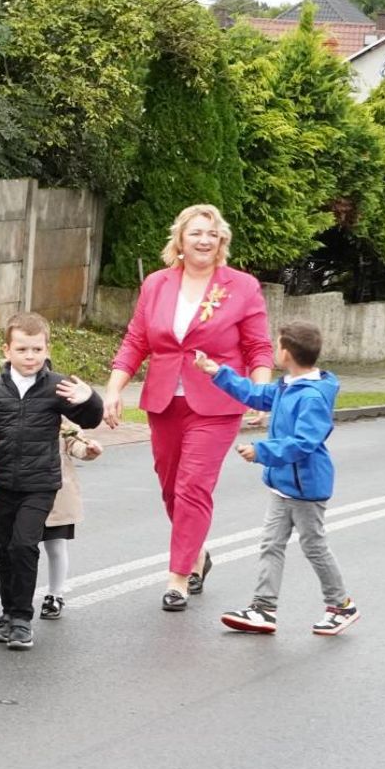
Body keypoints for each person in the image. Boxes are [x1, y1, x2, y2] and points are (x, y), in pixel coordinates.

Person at [103, 203, 273, 612]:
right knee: (169, 487)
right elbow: (136, 340)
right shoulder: (157, 284)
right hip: (164, 400)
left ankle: (178, 579)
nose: (204, 240)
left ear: (222, 242)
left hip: (216, 402)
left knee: (192, 486)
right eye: (196, 233)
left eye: (212, 234)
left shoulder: (242, 286)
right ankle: (196, 552)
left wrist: (260, 391)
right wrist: (113, 389)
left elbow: (258, 346)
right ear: (180, 239)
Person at [0, 312, 104, 651]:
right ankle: (6, 617)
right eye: (22, 349)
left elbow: (91, 419)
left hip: (41, 483)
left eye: (37, 349)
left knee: (23, 546)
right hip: (5, 482)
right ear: (7, 350)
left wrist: (89, 398)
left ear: (47, 349)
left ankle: (21, 619)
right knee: (5, 549)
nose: (30, 356)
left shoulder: (57, 386)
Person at [195, 321, 360, 636]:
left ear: (286, 353)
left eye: (277, 344)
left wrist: (262, 451)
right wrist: (217, 372)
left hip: (306, 487)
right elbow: (256, 394)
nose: (274, 349)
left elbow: (304, 443)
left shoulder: (311, 396)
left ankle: (341, 606)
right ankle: (263, 609)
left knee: (314, 546)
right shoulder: (288, 385)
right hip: (283, 485)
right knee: (271, 544)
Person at [0, 418, 102, 621]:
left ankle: (55, 595)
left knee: (55, 546)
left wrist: (88, 450)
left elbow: (75, 443)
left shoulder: (59, 417)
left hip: (57, 496)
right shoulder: (5, 417)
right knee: (9, 546)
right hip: (18, 495)